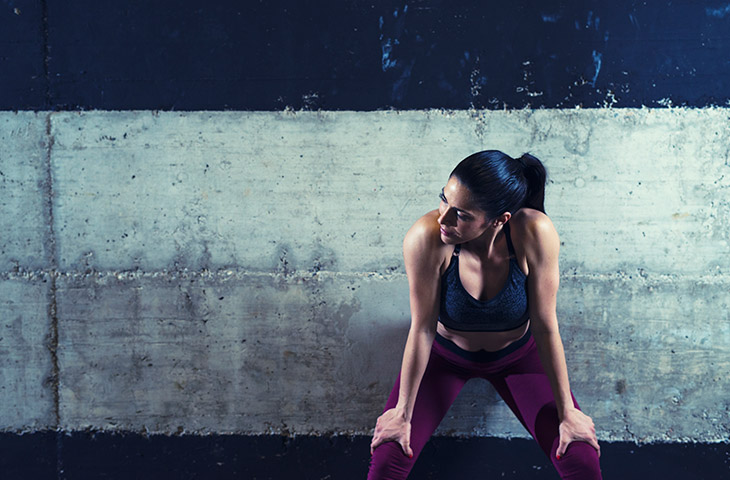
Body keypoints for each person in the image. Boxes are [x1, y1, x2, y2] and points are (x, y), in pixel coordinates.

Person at [368, 150, 602, 479]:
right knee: (388, 457)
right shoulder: (426, 238)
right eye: (443, 200)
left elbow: (546, 327)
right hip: (445, 358)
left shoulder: (534, 232)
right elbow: (422, 329)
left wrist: (568, 412)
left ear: (499, 219)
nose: (443, 219)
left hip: (518, 358)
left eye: (460, 215)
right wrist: (402, 413)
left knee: (581, 457)